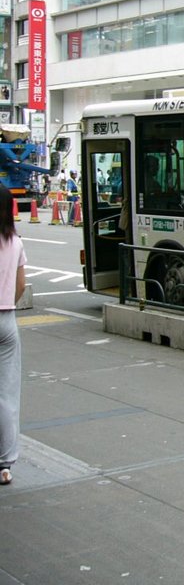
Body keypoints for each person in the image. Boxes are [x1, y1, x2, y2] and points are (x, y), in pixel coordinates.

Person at [0, 185, 26, 486]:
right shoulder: (15, 242)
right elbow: (20, 285)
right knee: (6, 396)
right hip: (7, 320)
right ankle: (5, 465)